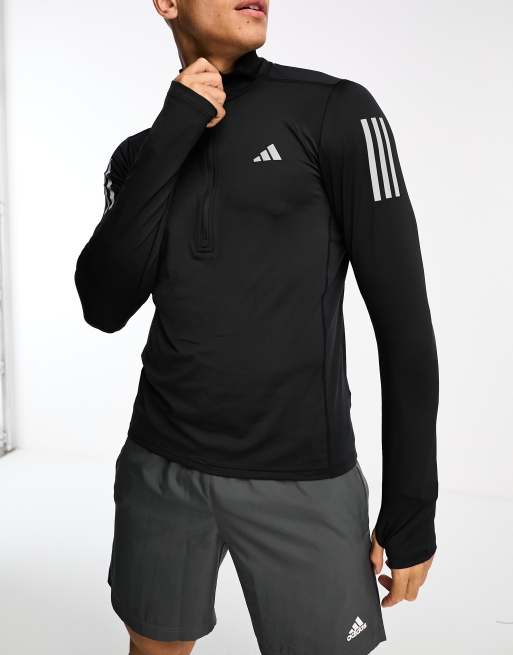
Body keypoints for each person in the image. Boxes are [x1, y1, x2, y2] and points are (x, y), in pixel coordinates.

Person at [74, 0, 439, 653]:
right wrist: (174, 130)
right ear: (166, 2)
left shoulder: (337, 110)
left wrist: (412, 505)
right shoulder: (142, 153)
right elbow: (104, 304)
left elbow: (404, 320)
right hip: (160, 465)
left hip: (302, 477)